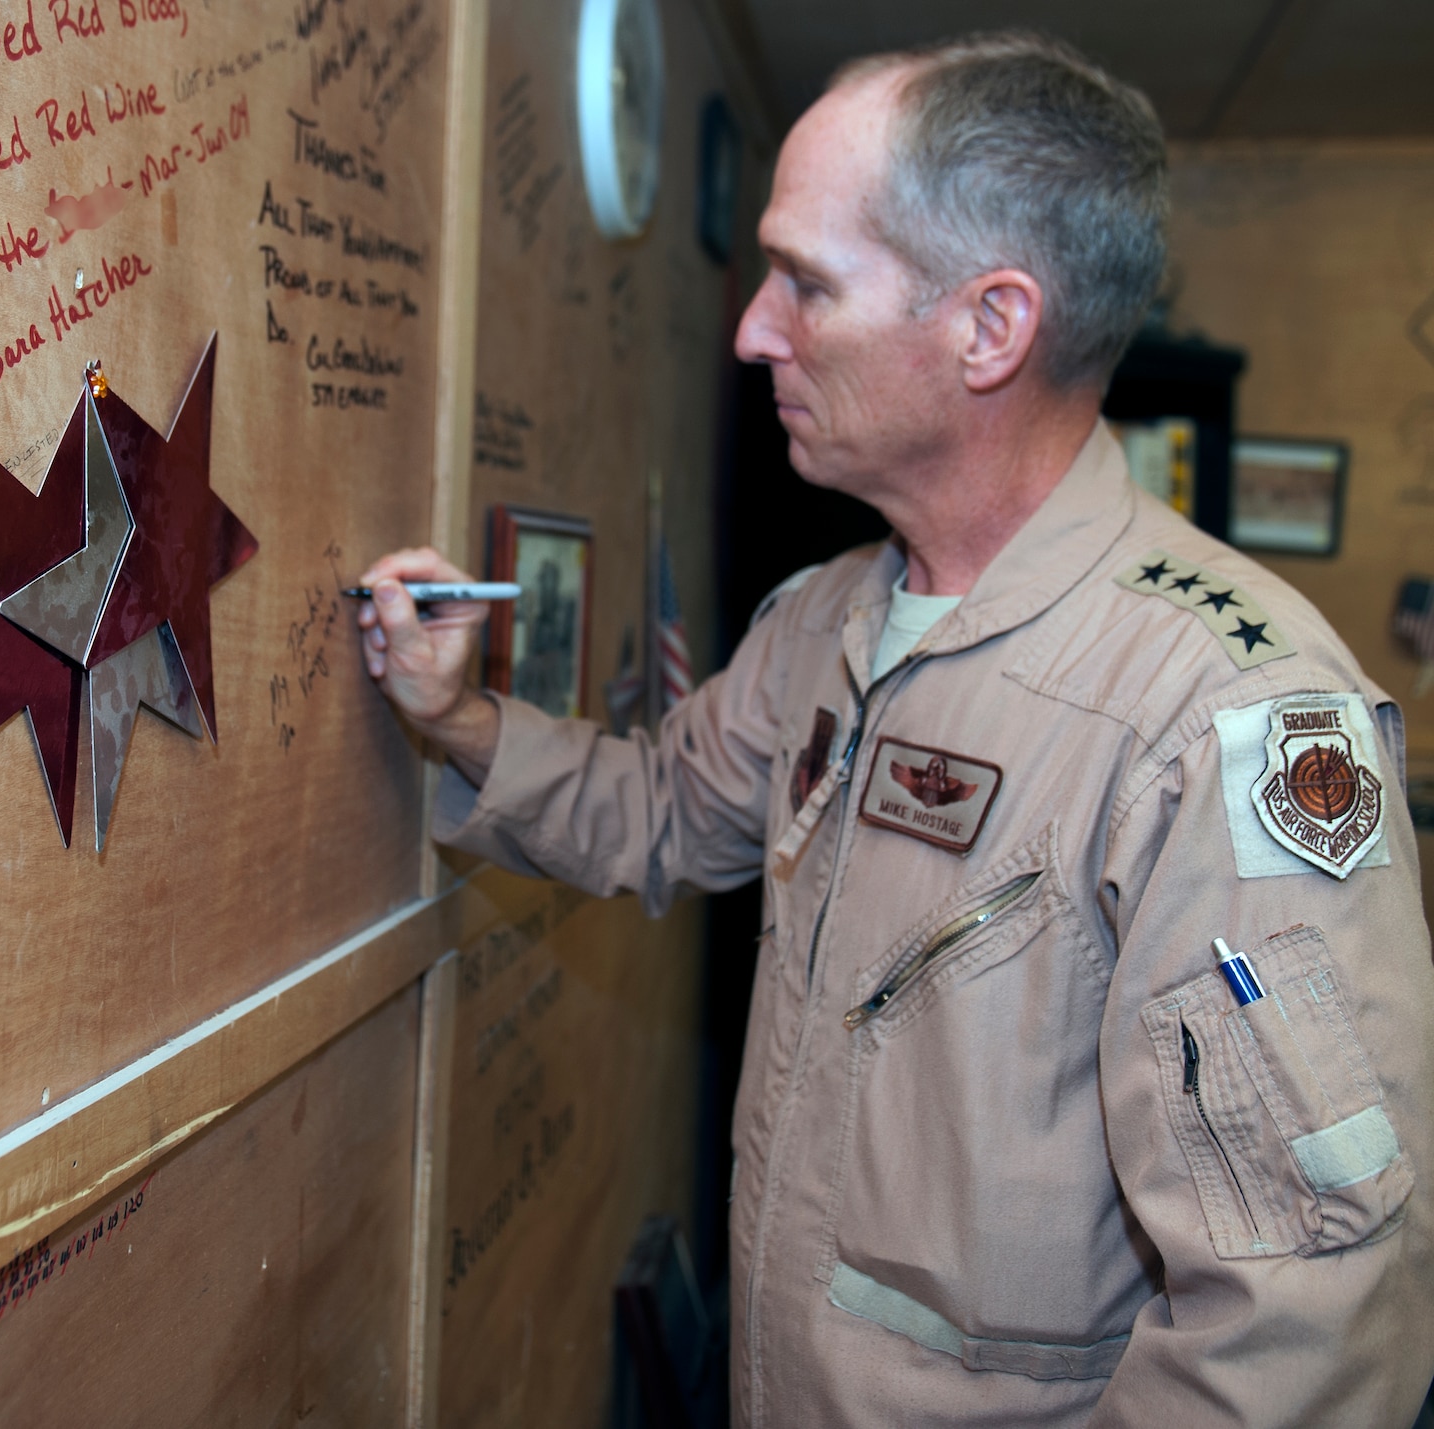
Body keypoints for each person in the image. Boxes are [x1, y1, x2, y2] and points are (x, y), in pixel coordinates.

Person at [355, 31, 1434, 1429]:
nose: (751, 328)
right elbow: (665, 812)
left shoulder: (1225, 711)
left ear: (989, 327)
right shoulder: (824, 618)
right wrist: (460, 715)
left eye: (805, 281)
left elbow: (1300, 1332)